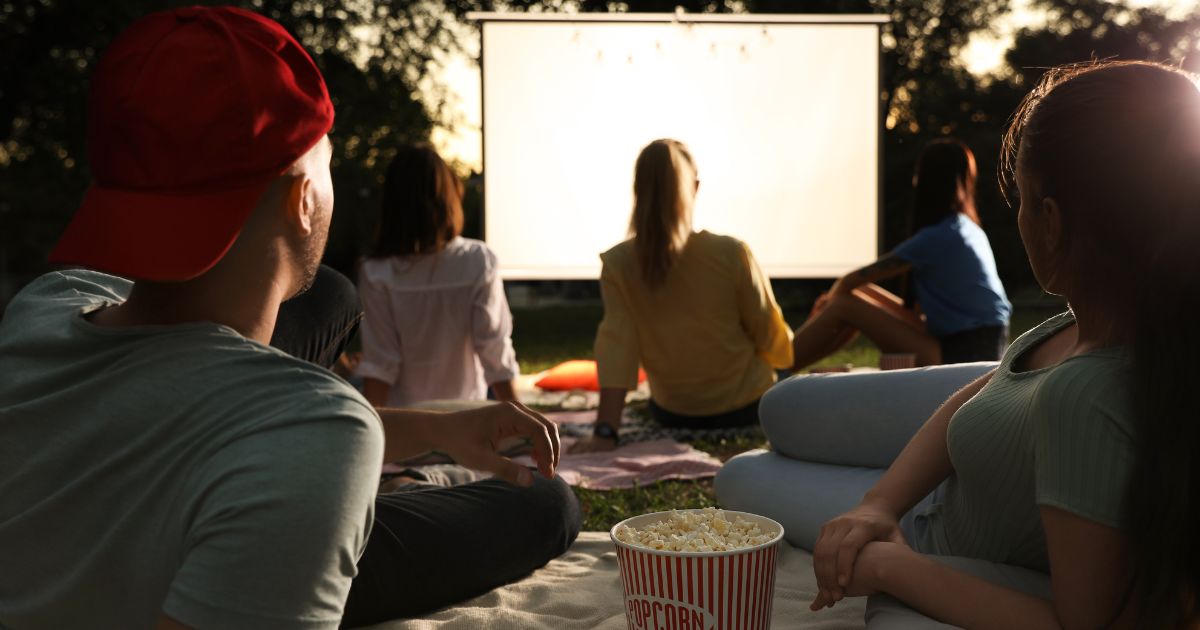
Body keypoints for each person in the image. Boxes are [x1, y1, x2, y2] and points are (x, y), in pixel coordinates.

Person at [0, 8, 578, 629]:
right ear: (303, 200)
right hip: (234, 558)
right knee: (547, 500)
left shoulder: (47, 302)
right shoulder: (315, 437)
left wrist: (435, 429)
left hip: (192, 490)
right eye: (326, 158)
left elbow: (169, 387)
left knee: (329, 294)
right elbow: (288, 434)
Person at [721, 60, 1200, 628]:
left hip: (941, 525)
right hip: (964, 455)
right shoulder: (1099, 319)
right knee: (781, 409)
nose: (1016, 216)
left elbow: (1081, 623)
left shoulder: (1087, 393)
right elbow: (994, 380)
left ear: (1050, 219)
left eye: (1019, 198)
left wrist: (886, 567)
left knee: (741, 476)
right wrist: (879, 503)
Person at [572, 139, 794, 453]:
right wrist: (785, 366)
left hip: (672, 414)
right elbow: (768, 332)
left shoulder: (617, 263)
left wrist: (605, 432)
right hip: (749, 406)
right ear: (695, 187)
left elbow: (617, 349)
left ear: (638, 188)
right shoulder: (731, 252)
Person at [790, 139, 1011, 371]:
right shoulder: (967, 228)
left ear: (924, 181)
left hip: (960, 355)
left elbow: (849, 280)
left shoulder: (937, 237)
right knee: (855, 294)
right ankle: (788, 366)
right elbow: (856, 285)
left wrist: (826, 306)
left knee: (844, 305)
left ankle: (778, 367)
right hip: (982, 347)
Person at [357, 144, 520, 407]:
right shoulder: (477, 260)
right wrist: (521, 422)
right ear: (449, 197)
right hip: (467, 420)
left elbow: (380, 363)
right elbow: (494, 351)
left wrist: (373, 438)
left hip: (408, 424)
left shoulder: (376, 271)